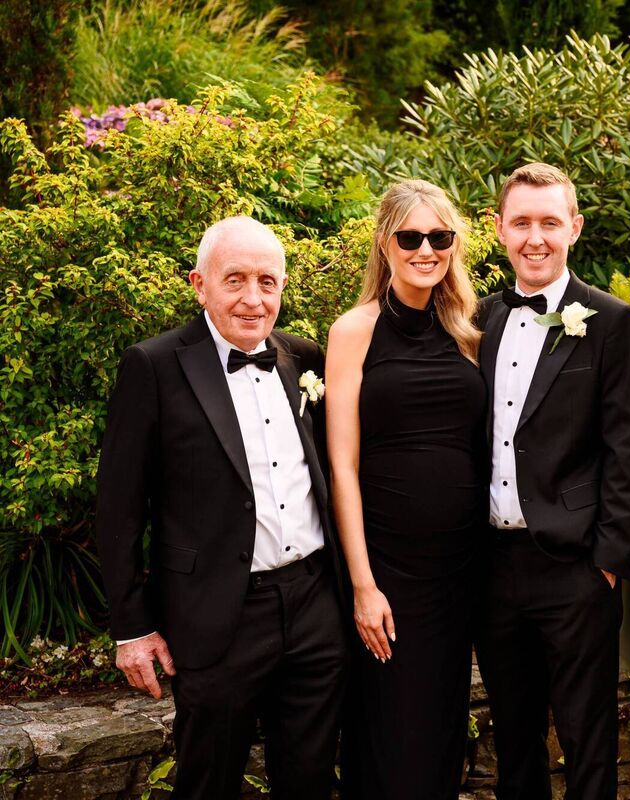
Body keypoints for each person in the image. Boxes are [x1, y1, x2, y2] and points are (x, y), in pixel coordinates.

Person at [95, 216, 347, 800]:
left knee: (309, 780)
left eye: (267, 281)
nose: (253, 298)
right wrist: (132, 627)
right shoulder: (154, 365)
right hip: (216, 614)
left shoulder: (303, 357)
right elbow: (119, 505)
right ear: (199, 284)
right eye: (235, 279)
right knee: (207, 780)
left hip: (314, 605)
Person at [473, 162, 630, 800]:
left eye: (549, 222)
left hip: (576, 566)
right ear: (499, 229)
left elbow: (629, 448)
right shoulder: (477, 319)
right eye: (521, 222)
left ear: (574, 228)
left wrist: (606, 560)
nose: (536, 238)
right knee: (514, 737)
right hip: (491, 564)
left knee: (588, 738)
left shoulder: (612, 321)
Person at [326, 180, 487, 799]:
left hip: (460, 572)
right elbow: (343, 465)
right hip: (389, 571)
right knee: (391, 736)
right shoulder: (355, 330)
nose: (426, 250)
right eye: (411, 237)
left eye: (439, 237)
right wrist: (363, 585)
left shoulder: (468, 332)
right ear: (384, 243)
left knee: (440, 733)